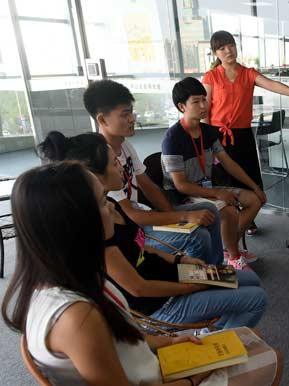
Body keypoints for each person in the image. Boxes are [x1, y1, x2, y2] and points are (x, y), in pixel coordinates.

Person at [1, 162, 282, 385]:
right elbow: (139, 289)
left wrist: (184, 265)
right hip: (169, 300)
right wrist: (194, 378)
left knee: (247, 282)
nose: (109, 206)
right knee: (270, 350)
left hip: (178, 280)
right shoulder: (79, 315)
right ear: (76, 221)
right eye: (101, 201)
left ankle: (212, 333)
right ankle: (213, 332)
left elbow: (125, 334)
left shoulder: (74, 279)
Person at [38, 131, 268, 329]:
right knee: (256, 298)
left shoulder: (114, 205)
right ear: (93, 175)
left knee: (250, 280)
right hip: (163, 304)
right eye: (113, 162)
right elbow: (139, 289)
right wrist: (191, 287)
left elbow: (144, 248)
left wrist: (182, 260)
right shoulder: (98, 231)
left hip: (173, 275)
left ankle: (215, 329)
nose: (121, 165)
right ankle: (216, 340)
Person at [83, 79, 222, 263]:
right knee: (198, 236)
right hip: (132, 230)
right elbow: (130, 216)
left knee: (208, 209)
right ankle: (197, 284)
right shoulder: (103, 160)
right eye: (125, 114)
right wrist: (184, 216)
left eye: (131, 112)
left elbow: (148, 186)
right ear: (102, 119)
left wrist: (176, 219)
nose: (132, 119)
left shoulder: (125, 146)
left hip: (143, 216)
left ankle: (216, 270)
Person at [203, 30, 289, 235]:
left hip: (242, 135)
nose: (228, 50)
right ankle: (229, 226)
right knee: (225, 183)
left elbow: (271, 84)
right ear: (215, 53)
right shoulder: (211, 77)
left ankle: (247, 219)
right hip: (218, 135)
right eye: (222, 48)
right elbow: (205, 109)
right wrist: (207, 140)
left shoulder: (248, 73)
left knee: (248, 178)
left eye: (230, 45)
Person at [163, 77, 267, 270]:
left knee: (255, 199)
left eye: (204, 99)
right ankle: (234, 256)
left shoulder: (208, 131)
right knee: (227, 209)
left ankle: (227, 247)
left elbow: (229, 164)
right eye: (196, 101)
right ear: (182, 106)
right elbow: (181, 185)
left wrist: (256, 187)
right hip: (183, 197)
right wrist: (218, 194)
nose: (204, 105)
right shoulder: (173, 137)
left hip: (205, 188)